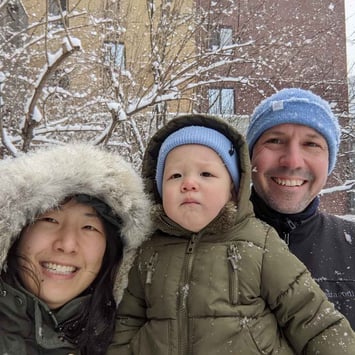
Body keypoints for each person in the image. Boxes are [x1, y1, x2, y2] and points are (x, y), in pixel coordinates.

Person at [108, 114, 355, 355]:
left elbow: (312, 318)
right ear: (159, 191)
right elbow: (129, 321)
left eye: (206, 174)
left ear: (233, 190)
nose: (189, 183)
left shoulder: (260, 242)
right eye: (175, 176)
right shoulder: (149, 251)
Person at [0, 143, 151, 354]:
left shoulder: (133, 343)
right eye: (50, 220)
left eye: (89, 227)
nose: (67, 244)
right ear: (15, 233)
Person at [246, 87, 355, 329]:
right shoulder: (203, 245)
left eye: (311, 144)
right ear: (250, 156)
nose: (293, 161)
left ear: (329, 162)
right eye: (275, 140)